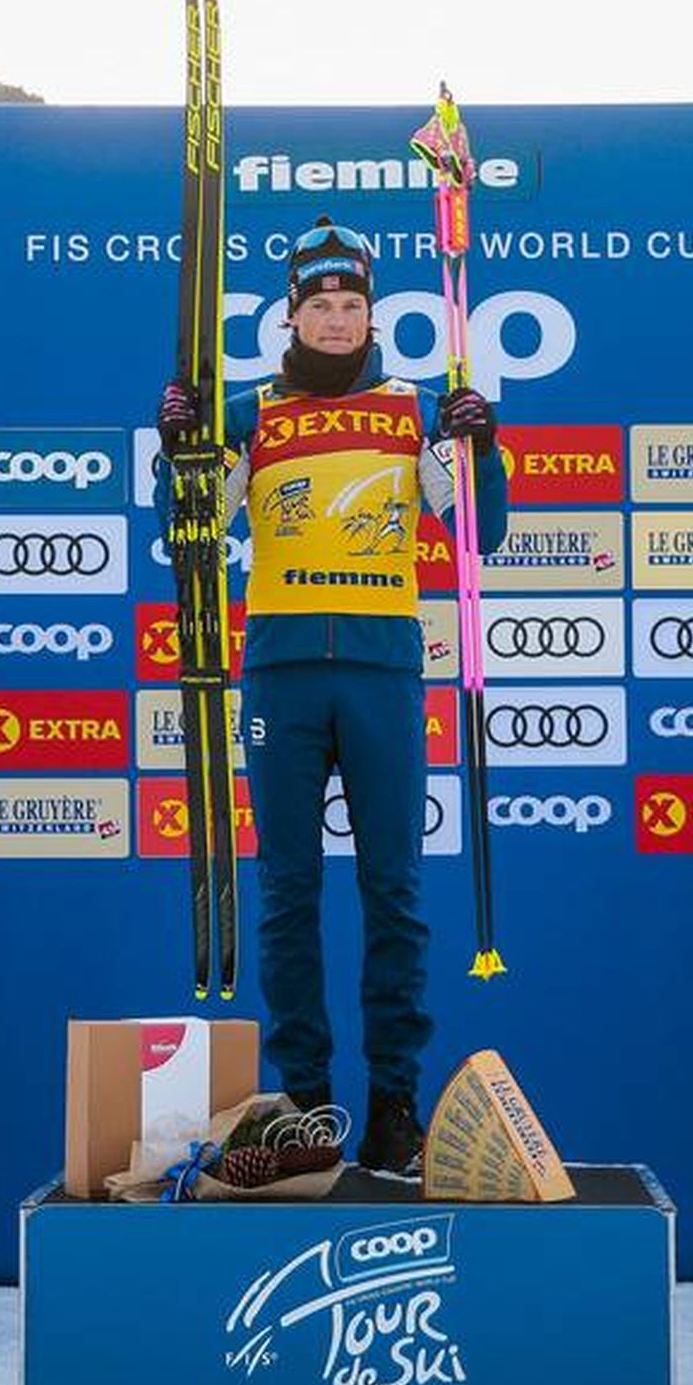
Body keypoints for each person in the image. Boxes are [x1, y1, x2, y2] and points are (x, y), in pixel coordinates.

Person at [154, 217, 508, 1175]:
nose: (340, 320)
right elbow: (188, 541)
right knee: (288, 891)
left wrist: (485, 447)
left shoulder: (414, 408)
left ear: (370, 313)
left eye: (353, 305)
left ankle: (395, 1101)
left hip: (384, 671)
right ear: (293, 317)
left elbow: (484, 536)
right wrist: (176, 452)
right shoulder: (250, 412)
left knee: (393, 890)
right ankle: (305, 1100)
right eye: (322, 306)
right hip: (280, 672)